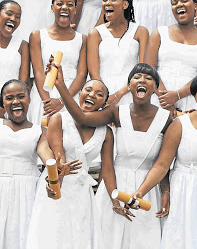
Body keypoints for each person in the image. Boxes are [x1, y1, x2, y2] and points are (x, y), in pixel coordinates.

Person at [53, 63, 172, 249]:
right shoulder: (116, 112)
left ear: (156, 88)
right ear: (129, 85)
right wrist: (60, 86)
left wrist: (165, 191)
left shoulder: (166, 118)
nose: (142, 80)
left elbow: (162, 163)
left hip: (148, 190)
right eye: (137, 77)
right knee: (108, 240)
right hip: (114, 188)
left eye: (149, 78)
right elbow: (82, 118)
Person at [131, 73, 197, 249]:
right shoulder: (180, 124)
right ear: (194, 97)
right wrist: (141, 191)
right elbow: (162, 165)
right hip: (185, 192)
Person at [26, 79, 114, 249]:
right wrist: (56, 182)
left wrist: (113, 200)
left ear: (104, 102)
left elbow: (108, 169)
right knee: (54, 234)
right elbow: (59, 155)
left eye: (99, 94)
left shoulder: (106, 132)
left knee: (78, 236)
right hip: (55, 181)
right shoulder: (59, 118)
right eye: (88, 90)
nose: (92, 95)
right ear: (79, 93)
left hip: (82, 190)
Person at [0, 79, 79, 249]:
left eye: (21, 96)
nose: (16, 102)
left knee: (22, 236)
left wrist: (56, 172)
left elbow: (48, 157)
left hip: (26, 191)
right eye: (9, 98)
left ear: (29, 100)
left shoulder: (39, 131)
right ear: (3, 102)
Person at [145, 0, 197, 113]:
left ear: (195, 5)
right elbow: (149, 69)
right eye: (174, 3)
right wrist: (165, 99)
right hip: (158, 96)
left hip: (189, 97)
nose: (179, 5)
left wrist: (177, 95)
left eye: (184, 0)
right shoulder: (159, 33)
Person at [28, 0, 87, 126]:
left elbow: (82, 75)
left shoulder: (83, 39)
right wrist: (47, 103)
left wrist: (61, 101)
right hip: (44, 96)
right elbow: (37, 72)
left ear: (75, 9)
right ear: (52, 7)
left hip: (70, 96)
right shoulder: (37, 36)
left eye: (70, 4)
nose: (64, 7)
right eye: (60, 3)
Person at [87, 0, 148, 107]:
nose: (107, 3)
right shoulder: (95, 33)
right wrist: (104, 96)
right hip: (102, 95)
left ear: (125, 4)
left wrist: (119, 94)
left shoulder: (141, 32)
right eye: (104, 0)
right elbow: (94, 73)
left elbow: (142, 71)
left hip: (131, 92)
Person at [0, 0, 29, 116]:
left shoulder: (22, 46)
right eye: (9, 13)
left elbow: (23, 82)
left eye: (18, 17)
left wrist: (5, 107)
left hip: (11, 108)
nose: (13, 18)